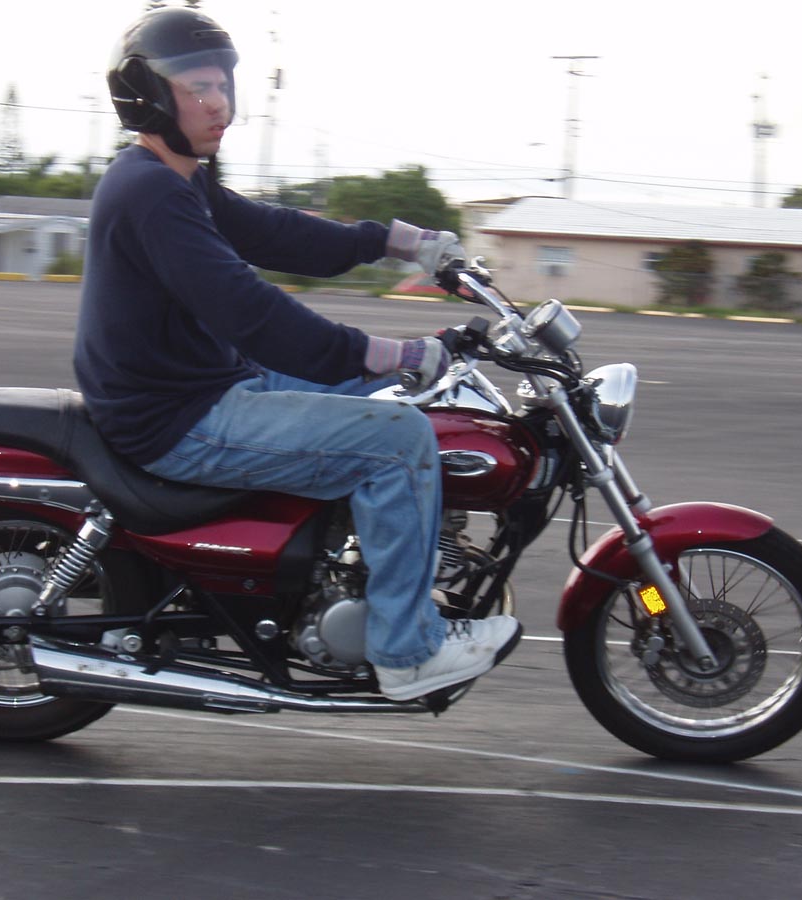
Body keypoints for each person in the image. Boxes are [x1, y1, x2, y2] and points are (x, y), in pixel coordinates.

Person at [74, 6, 520, 702]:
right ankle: (407, 650)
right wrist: (390, 352)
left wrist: (397, 240)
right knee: (400, 439)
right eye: (197, 87)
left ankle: (351, 575)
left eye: (222, 84)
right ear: (150, 97)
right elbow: (251, 313)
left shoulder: (175, 179)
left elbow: (278, 233)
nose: (219, 102)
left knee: (400, 399)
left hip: (202, 382)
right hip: (177, 416)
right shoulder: (151, 192)